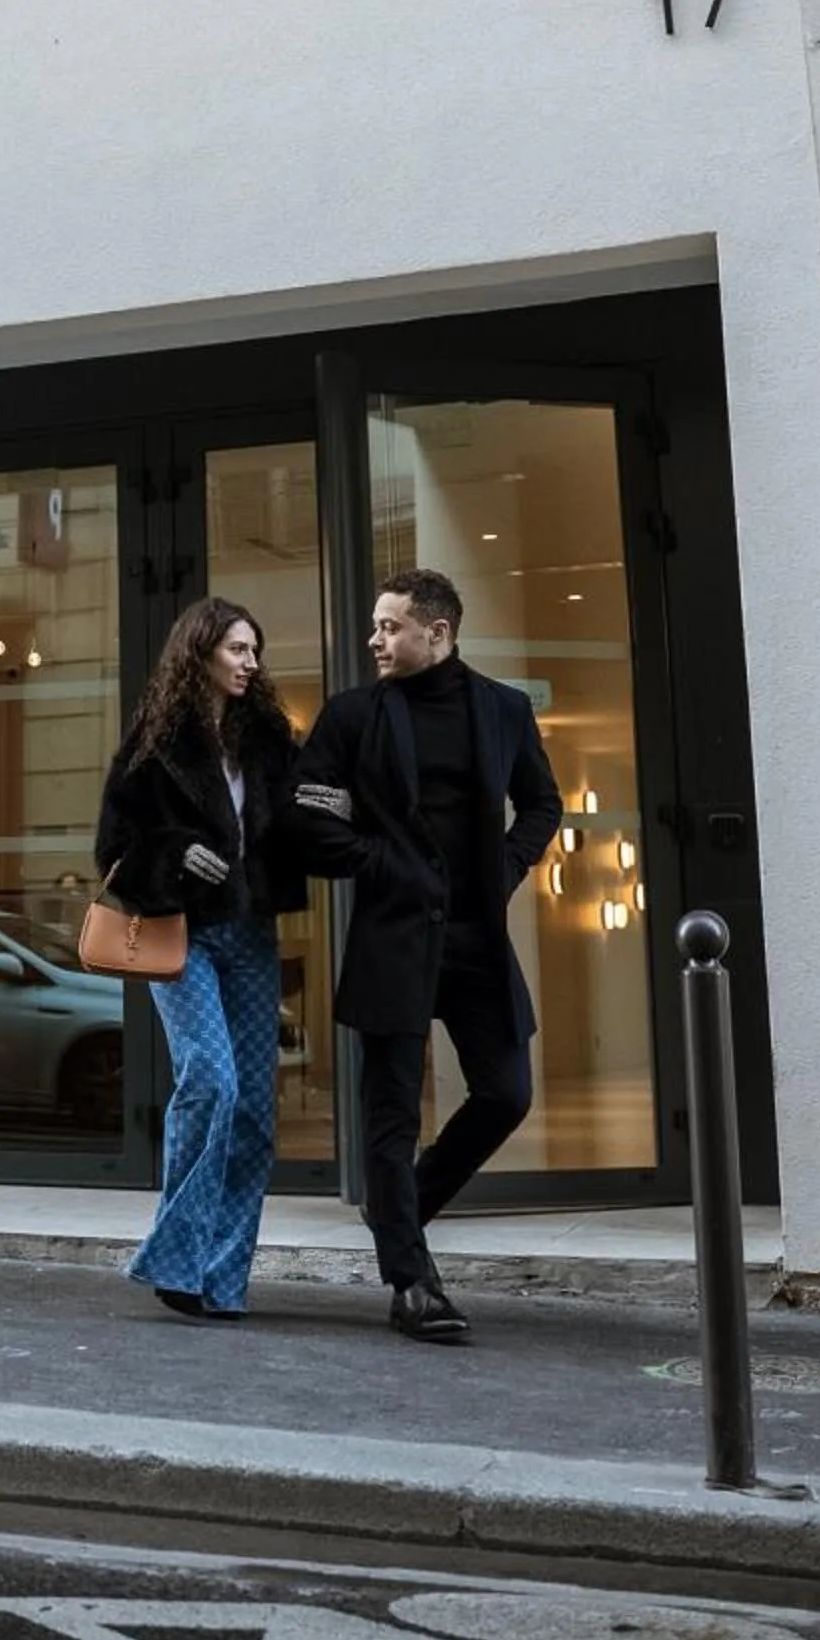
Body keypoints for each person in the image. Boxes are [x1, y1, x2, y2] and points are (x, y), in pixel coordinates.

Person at [292, 566, 562, 1342]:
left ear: (436, 632)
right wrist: (379, 863)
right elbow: (307, 816)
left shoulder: (504, 710)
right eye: (376, 626)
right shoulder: (350, 717)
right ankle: (412, 1281)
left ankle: (397, 1207)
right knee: (391, 1111)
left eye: (389, 626)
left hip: (476, 935)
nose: (375, 639)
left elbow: (543, 802)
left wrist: (505, 869)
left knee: (506, 1093)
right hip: (394, 934)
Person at [96, 597, 304, 1322]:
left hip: (250, 933)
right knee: (211, 1081)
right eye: (238, 649)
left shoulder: (269, 736)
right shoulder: (155, 741)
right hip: (179, 930)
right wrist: (172, 852)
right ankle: (176, 1258)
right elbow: (112, 849)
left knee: (252, 1109)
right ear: (201, 652)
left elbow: (303, 816)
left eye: (256, 651)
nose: (251, 663)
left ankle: (218, 1278)